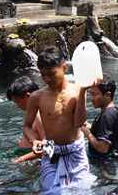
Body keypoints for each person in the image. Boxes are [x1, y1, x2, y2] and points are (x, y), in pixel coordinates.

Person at [23, 46, 93, 194]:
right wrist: (34, 140)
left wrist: (83, 93)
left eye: (51, 74)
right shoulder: (37, 97)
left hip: (75, 149)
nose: (47, 79)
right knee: (50, 191)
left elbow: (80, 123)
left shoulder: (78, 90)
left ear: (64, 68)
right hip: (50, 150)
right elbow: (27, 126)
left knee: (82, 190)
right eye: (43, 75)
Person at [7, 76, 45, 163]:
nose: (17, 106)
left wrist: (20, 159)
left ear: (28, 96)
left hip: (30, 157)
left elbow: (48, 146)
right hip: (24, 153)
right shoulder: (32, 114)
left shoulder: (39, 116)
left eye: (18, 102)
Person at [82, 77, 118, 158]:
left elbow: (103, 148)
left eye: (95, 94)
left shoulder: (107, 115)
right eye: (91, 94)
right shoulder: (112, 110)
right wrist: (91, 128)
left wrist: (87, 133)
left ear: (107, 95)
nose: (91, 99)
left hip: (104, 165)